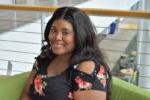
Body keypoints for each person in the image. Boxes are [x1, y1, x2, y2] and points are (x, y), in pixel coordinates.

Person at [21, 6, 111, 100]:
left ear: (80, 36)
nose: (57, 37)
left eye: (65, 33)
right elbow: (26, 93)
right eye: (53, 30)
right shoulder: (45, 58)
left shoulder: (87, 69)